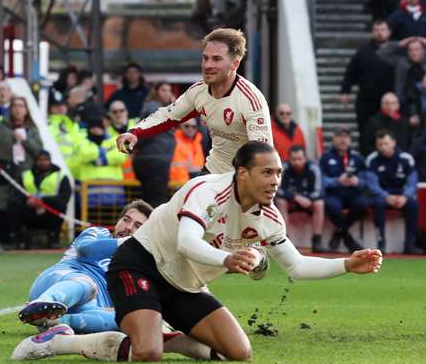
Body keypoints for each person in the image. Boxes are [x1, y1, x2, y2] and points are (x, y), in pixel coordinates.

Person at [13, 142, 382, 363]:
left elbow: (297, 267)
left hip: (185, 283)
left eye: (279, 173)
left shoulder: (270, 218)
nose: (275, 181)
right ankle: (58, 341)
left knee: (239, 353)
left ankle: (172, 338)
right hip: (142, 265)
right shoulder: (205, 190)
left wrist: (346, 264)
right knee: (146, 353)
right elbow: (187, 242)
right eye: (267, 172)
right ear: (241, 173)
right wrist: (227, 259)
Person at [117, 28, 272, 175]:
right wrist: (135, 132)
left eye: (216, 59)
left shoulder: (251, 100)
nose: (208, 65)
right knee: (182, 202)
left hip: (243, 178)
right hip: (213, 171)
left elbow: (263, 156)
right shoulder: (199, 91)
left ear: (235, 64)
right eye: (205, 58)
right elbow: (167, 116)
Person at [18, 201, 153, 334]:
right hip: (60, 280)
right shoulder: (99, 233)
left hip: (89, 306)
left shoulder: (136, 267)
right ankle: (43, 303)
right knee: (88, 285)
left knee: (128, 319)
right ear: (118, 221)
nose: (128, 227)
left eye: (137, 226)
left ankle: (53, 322)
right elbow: (86, 250)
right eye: (126, 220)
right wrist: (127, 242)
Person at [0, 96, 42, 248]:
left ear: (26, 110)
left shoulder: (32, 129)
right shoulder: (2, 126)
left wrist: (24, 140)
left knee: (20, 205)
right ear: (10, 109)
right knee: (1, 204)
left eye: (21, 106)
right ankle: (3, 239)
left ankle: (19, 239)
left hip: (25, 173)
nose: (18, 109)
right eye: (15, 106)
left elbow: (39, 150)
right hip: (5, 170)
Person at [365, 130, 423, 253]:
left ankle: (410, 244)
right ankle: (381, 243)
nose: (383, 147)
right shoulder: (372, 160)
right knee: (378, 204)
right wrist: (386, 196)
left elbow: (412, 182)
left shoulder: (406, 158)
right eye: (380, 144)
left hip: (401, 195)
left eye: (386, 143)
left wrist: (405, 196)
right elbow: (372, 184)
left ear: (393, 143)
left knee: (413, 205)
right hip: (382, 196)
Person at [340, 19, 396, 134]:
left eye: (383, 30)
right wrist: (345, 91)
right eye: (376, 30)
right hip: (367, 100)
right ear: (372, 32)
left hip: (390, 99)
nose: (380, 33)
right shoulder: (363, 52)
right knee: (365, 130)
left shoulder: (396, 51)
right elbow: (351, 72)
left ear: (389, 32)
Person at [319, 129, 368, 253]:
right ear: (333, 138)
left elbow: (367, 179)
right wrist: (336, 181)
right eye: (339, 136)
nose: (343, 140)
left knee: (362, 204)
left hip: (352, 192)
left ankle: (340, 232)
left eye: (346, 137)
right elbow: (320, 178)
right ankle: (348, 239)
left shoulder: (358, 158)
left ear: (350, 140)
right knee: (332, 205)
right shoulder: (325, 157)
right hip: (334, 192)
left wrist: (358, 181)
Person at [276, 145, 327, 253]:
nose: (296, 162)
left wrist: (308, 199)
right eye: (293, 159)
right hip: (290, 200)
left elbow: (319, 191)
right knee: (281, 202)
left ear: (305, 158)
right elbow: (277, 189)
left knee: (319, 204)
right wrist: (295, 197)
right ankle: (284, 239)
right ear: (289, 159)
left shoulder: (314, 168)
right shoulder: (282, 168)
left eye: (299, 159)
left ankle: (317, 239)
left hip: (309, 201)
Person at [21, 150, 72, 249]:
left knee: (60, 206)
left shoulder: (60, 176)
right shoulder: (25, 175)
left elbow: (64, 197)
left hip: (49, 212)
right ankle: (16, 240)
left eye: (45, 159)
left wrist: (42, 200)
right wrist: (27, 201)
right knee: (14, 205)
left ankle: (54, 240)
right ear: (35, 161)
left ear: (50, 161)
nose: (42, 162)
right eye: (40, 160)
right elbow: (17, 193)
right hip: (30, 210)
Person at [170, 119, 205, 185]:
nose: (190, 129)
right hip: (177, 184)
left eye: (193, 127)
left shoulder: (197, 143)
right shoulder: (174, 142)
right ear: (180, 126)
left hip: (194, 184)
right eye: (187, 126)